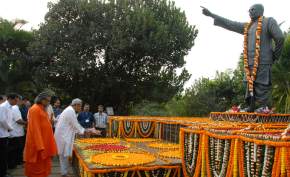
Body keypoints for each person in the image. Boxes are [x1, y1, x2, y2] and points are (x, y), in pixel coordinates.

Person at [201, 4, 284, 112]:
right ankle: (251, 106)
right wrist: (212, 15)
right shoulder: (247, 26)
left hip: (263, 61)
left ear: (260, 10)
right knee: (248, 84)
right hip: (248, 62)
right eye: (248, 10)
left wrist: (274, 55)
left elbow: (280, 38)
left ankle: (264, 107)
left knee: (261, 84)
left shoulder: (269, 21)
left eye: (252, 9)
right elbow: (230, 23)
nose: (249, 11)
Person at [54, 99, 100, 177]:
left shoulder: (69, 110)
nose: (81, 108)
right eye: (80, 106)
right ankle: (64, 173)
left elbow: (76, 127)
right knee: (64, 155)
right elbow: (77, 127)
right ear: (76, 105)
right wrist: (91, 131)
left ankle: (64, 173)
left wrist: (89, 130)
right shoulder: (70, 111)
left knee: (64, 156)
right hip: (63, 136)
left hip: (63, 135)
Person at [24, 92, 57, 177]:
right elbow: (35, 128)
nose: (49, 103)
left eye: (49, 101)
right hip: (38, 145)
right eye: (48, 101)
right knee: (36, 168)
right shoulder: (34, 109)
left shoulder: (42, 108)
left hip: (44, 142)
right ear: (42, 100)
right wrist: (40, 146)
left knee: (44, 167)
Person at [0, 93, 20, 177]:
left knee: (5, 155)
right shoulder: (3, 107)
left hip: (5, 133)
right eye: (16, 100)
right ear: (10, 99)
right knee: (2, 155)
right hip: (1, 134)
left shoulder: (10, 107)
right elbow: (2, 120)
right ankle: (2, 173)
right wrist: (10, 128)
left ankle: (4, 171)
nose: (17, 102)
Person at [8, 97, 27, 169]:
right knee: (16, 150)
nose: (22, 102)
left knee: (17, 149)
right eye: (21, 100)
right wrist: (27, 123)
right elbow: (18, 120)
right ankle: (15, 164)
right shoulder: (15, 108)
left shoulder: (15, 108)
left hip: (16, 132)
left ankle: (16, 163)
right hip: (16, 133)